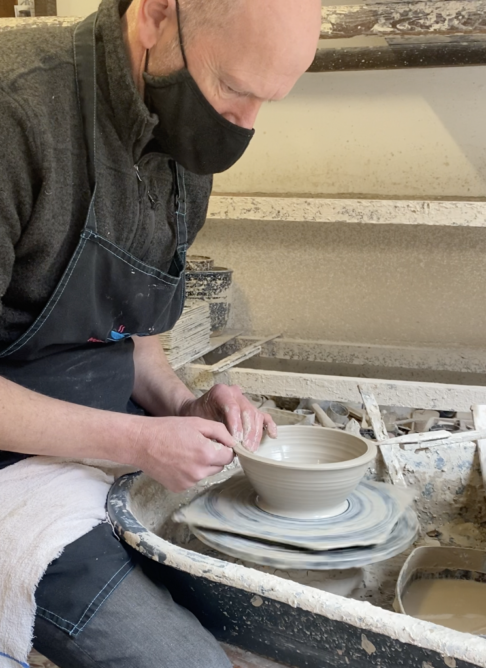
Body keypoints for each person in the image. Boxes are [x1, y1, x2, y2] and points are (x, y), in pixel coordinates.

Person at [0, 0, 321, 666]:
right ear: (153, 16)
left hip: (101, 453)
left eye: (270, 100)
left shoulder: (183, 145)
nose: (244, 123)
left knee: (278, 614)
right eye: (233, 88)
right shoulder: (17, 113)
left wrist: (182, 406)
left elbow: (133, 334)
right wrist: (140, 439)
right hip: (14, 478)